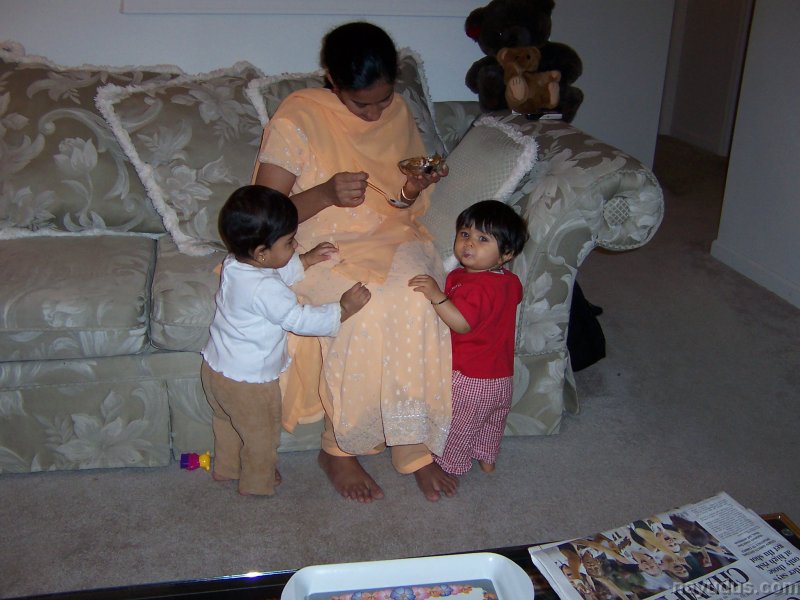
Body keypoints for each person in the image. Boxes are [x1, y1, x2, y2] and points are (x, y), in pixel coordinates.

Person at [252, 21, 456, 502]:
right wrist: (324, 194)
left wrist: (412, 188)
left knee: (419, 300)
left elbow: (398, 200)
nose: (375, 113)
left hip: (392, 234)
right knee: (363, 309)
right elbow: (262, 216)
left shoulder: (398, 110)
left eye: (383, 100)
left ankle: (413, 443)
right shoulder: (298, 117)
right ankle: (338, 448)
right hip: (320, 242)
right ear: (331, 80)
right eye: (360, 104)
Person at [200, 185, 371, 496]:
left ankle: (227, 467)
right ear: (261, 253)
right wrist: (342, 309)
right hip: (249, 382)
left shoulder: (235, 264)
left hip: (215, 368)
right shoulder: (266, 289)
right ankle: (257, 483)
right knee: (262, 436)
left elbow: (272, 272)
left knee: (226, 422)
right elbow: (299, 319)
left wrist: (305, 259)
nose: (295, 246)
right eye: (290, 242)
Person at [408, 200, 528, 475]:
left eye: (483, 239)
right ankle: (487, 458)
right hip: (502, 376)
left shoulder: (476, 287)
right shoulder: (509, 281)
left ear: (506, 253)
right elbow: (512, 300)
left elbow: (461, 324)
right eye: (464, 234)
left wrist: (437, 296)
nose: (469, 243)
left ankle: (450, 465)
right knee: (491, 423)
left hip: (471, 377)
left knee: (459, 427)